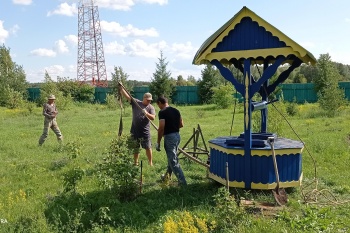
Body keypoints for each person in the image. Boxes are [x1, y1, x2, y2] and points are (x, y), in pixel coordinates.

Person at [119, 83, 156, 166]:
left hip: (145, 132)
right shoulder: (137, 103)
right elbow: (128, 96)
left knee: (148, 147)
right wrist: (121, 89)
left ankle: (150, 163)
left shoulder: (151, 108)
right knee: (135, 148)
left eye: (150, 100)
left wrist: (146, 113)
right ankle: (136, 163)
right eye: (148, 100)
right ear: (144, 98)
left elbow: (153, 118)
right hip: (134, 131)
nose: (149, 101)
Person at [155, 96, 187, 186]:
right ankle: (166, 177)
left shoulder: (162, 112)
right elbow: (181, 124)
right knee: (172, 157)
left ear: (160, 103)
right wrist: (173, 127)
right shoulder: (176, 110)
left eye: (158, 105)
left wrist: (158, 142)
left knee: (173, 160)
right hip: (177, 136)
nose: (158, 107)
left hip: (170, 138)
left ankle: (182, 182)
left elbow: (161, 128)